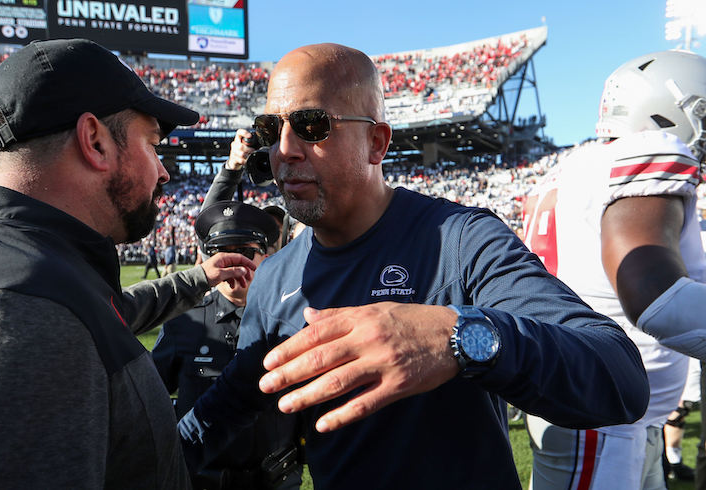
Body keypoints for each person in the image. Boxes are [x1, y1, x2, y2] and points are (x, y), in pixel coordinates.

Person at [177, 43, 649, 489]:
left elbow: (619, 376)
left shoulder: (462, 239)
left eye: (311, 125)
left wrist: (460, 335)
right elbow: (226, 409)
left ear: (376, 143)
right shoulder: (275, 279)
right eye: (268, 130)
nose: (283, 150)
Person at [0, 38, 257, 489]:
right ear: (95, 141)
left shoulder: (19, 264)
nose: (163, 172)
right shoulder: (13, 315)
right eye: (152, 144)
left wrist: (199, 278)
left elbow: (100, 317)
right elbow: (50, 327)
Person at [521, 50, 706, 490]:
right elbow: (653, 294)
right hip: (602, 415)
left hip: (605, 409)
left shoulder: (565, 171)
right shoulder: (652, 149)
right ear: (670, 109)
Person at [153, 201, 302, 490]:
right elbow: (150, 398)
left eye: (246, 252)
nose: (235, 263)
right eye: (223, 253)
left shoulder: (291, 319)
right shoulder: (185, 322)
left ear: (266, 256)